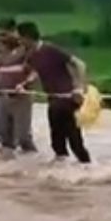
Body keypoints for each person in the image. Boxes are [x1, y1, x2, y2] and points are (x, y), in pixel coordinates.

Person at [17, 22, 91, 164]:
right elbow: (36, 72)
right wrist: (24, 85)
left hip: (67, 100)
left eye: (20, 38)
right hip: (53, 101)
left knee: (75, 142)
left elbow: (80, 64)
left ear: (27, 37)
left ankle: (88, 169)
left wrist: (79, 88)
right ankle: (62, 172)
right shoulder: (32, 55)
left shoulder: (50, 50)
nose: (19, 42)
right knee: (57, 143)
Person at [0, 18, 36, 153]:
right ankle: (7, 163)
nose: (1, 38)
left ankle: (33, 161)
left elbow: (32, 70)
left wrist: (24, 84)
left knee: (24, 138)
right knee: (4, 135)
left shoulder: (26, 48)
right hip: (3, 94)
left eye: (4, 34)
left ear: (14, 32)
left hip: (21, 95)